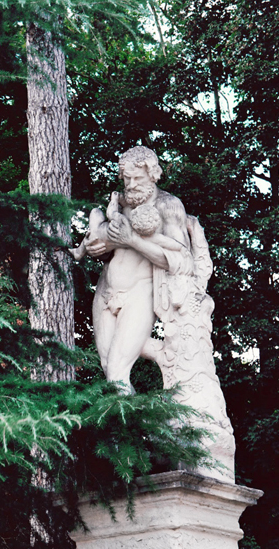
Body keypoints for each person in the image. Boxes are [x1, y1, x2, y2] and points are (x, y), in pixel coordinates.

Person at [79, 146, 195, 392]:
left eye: (138, 179)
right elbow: (104, 246)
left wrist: (132, 240)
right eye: (127, 178)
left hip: (141, 293)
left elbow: (181, 261)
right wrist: (95, 247)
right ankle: (133, 412)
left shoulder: (168, 206)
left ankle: (128, 421)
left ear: (153, 175)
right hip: (106, 291)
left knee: (117, 372)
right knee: (108, 366)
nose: (130, 185)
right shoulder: (121, 204)